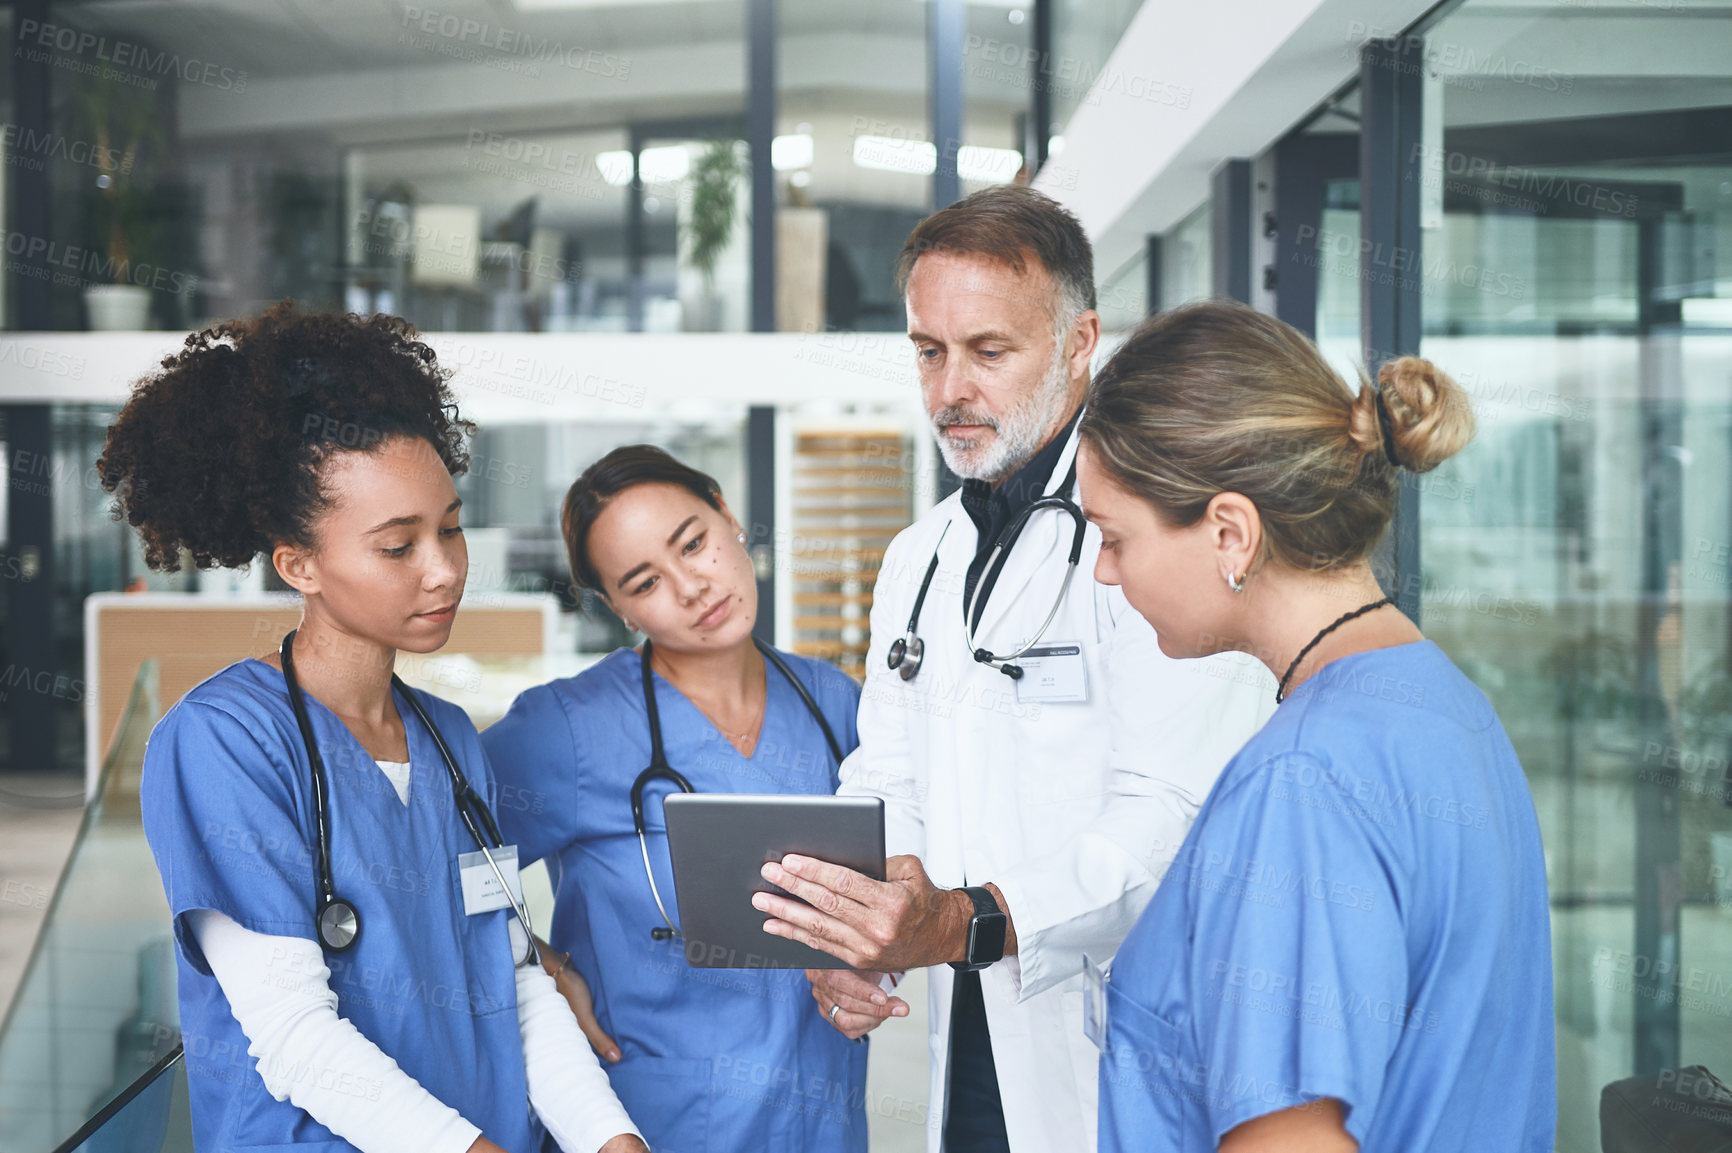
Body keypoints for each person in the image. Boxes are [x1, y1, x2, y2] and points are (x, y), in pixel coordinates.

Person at [748, 185, 1275, 1152]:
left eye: (989, 351)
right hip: (964, 1038)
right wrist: (862, 931)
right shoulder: (920, 554)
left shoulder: (1158, 535)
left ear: (1080, 343)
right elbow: (890, 771)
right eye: (927, 349)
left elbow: (1172, 813)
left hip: (1112, 1033)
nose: (950, 388)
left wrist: (963, 923)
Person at [104, 303, 645, 1153]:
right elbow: (294, 1039)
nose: (445, 570)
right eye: (399, 547)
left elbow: (513, 982)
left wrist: (613, 1140)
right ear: (298, 563)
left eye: (453, 528)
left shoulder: (452, 741)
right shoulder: (225, 742)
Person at [1077, 301, 1555, 1151]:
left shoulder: (1302, 780)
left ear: (1231, 531)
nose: (1106, 573)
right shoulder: (1449, 710)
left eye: (1115, 537)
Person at [480, 446, 869, 1153]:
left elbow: (887, 883)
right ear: (616, 606)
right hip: (650, 1123)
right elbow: (429, 860)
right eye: (643, 581)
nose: (691, 586)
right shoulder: (569, 728)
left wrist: (873, 963)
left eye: (693, 542)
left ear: (726, 514)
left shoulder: (833, 703)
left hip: (820, 1121)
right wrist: (537, 961)